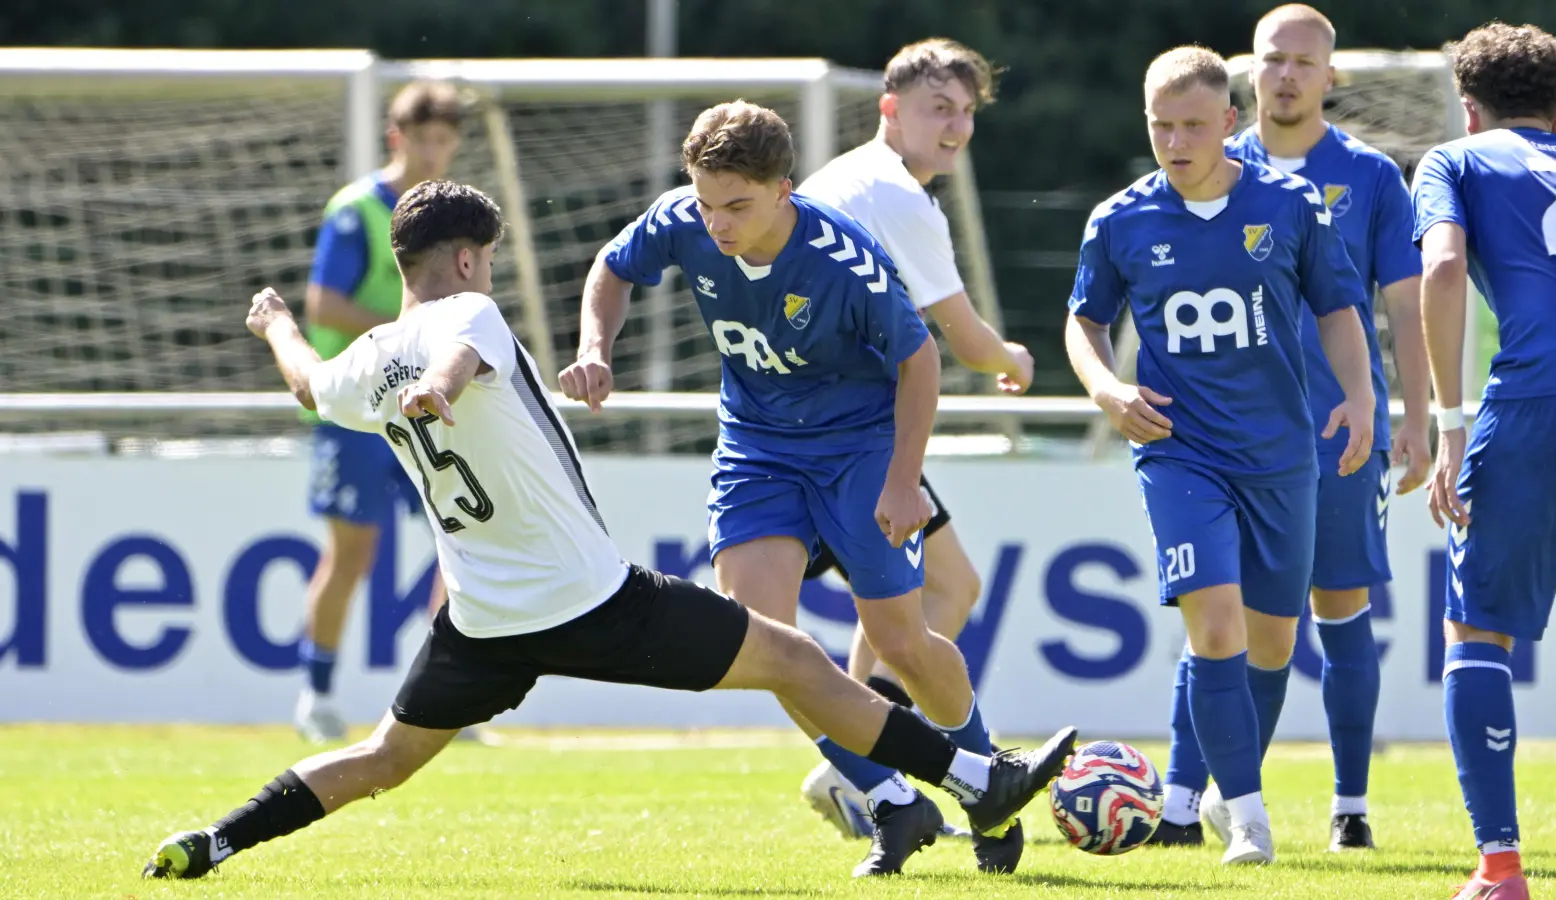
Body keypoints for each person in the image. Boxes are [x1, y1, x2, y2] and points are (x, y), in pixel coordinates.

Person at [141, 179, 1080, 881]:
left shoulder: (366, 363)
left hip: (483, 622)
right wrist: (445, 385)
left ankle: (216, 840)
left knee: (383, 759)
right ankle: (970, 778)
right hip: (594, 600)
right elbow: (465, 352)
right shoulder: (469, 313)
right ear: (468, 260)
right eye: (490, 262)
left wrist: (272, 323)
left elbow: (307, 380)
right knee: (796, 659)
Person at [559, 101, 1029, 876]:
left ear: (784, 190)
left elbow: (921, 361)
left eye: (737, 206)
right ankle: (890, 799)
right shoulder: (683, 217)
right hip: (758, 449)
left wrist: (905, 481)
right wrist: (593, 347)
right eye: (707, 204)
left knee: (905, 646)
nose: (716, 224)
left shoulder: (843, 259)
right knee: (764, 640)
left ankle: (984, 779)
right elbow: (612, 268)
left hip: (858, 451)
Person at [1065, 45, 1375, 866]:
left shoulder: (1290, 202)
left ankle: (1213, 789)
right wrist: (1105, 388)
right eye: (1161, 125)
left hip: (1280, 455)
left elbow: (1340, 306)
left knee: (1273, 645)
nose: (1175, 140)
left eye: (1193, 124)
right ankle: (1247, 817)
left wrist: (1363, 395)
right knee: (1215, 623)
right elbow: (1083, 321)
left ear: (1229, 124)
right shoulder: (1120, 219)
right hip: (1178, 450)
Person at [1148, 4, 1431, 853]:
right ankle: (1185, 797)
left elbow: (1403, 302)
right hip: (1219, 440)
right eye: (1273, 59)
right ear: (1250, 73)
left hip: (1335, 431)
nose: (1287, 75)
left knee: (1340, 610)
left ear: (1330, 77)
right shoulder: (1203, 166)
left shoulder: (1373, 177)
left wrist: (1414, 415)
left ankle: (1349, 805)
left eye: (1304, 62)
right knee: (1214, 620)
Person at [793, 37, 1032, 848]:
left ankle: (860, 767)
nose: (957, 126)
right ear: (889, 110)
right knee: (929, 602)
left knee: (944, 591)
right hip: (838, 442)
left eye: (966, 112)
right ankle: (865, 770)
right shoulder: (896, 196)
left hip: (825, 426)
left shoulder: (847, 180)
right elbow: (964, 338)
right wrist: (1015, 358)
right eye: (940, 108)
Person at [1409, 22, 1556, 900]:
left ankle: (1501, 870)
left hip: (1536, 400)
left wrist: (1451, 422)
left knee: (1476, 629)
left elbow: (1443, 272)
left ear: (1469, 108)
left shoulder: (1456, 161)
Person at [295, 81, 463, 744]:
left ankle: (444, 697)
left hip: (424, 408)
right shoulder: (357, 210)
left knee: (463, 549)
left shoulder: (452, 216)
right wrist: (403, 337)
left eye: (444, 141)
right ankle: (318, 693)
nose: (432, 152)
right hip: (357, 412)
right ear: (397, 137)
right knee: (352, 554)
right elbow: (322, 307)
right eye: (421, 138)